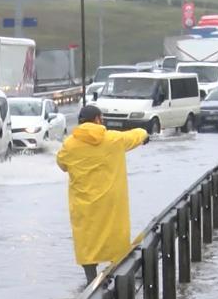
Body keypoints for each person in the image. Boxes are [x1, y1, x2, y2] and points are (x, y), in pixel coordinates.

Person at [57, 105, 149, 284]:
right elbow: (134, 135)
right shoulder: (113, 139)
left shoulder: (69, 144)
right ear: (98, 119)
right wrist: (144, 134)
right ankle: (118, 278)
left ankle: (91, 282)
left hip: (83, 204)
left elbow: (62, 164)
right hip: (111, 203)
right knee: (116, 239)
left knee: (87, 243)